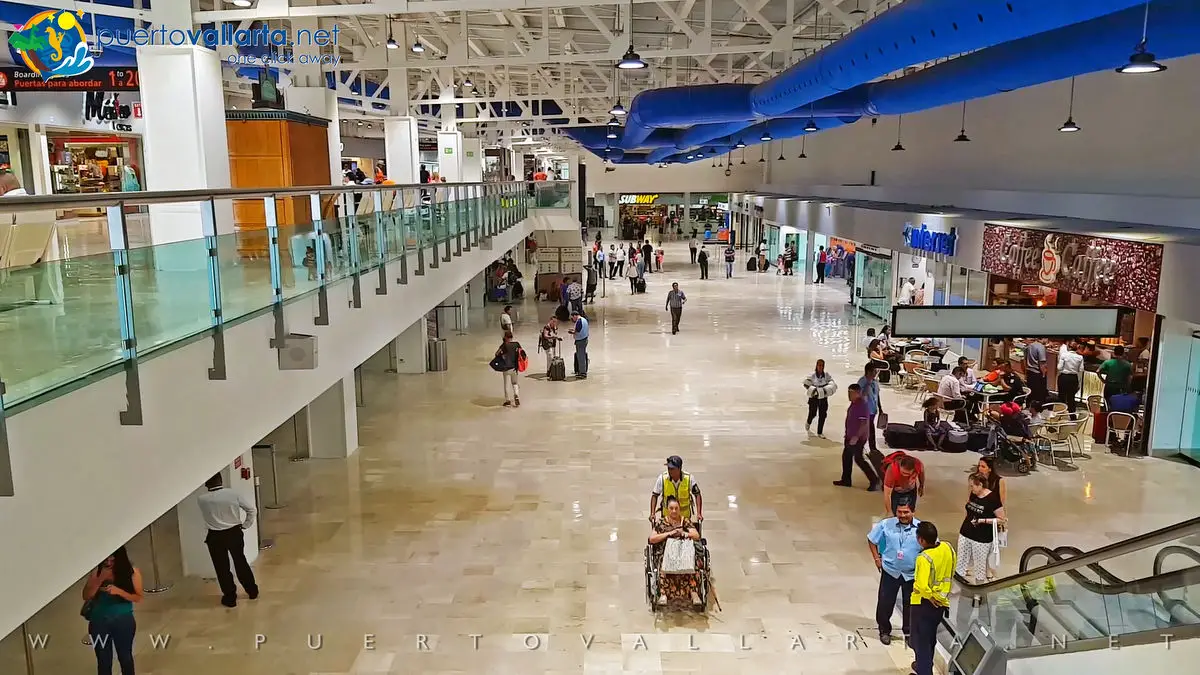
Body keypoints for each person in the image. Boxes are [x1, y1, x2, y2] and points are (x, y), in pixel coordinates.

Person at [197, 473, 259, 607]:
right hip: (233, 532)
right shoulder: (232, 494)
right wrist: (246, 524)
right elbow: (251, 510)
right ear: (221, 480)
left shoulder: (202, 499)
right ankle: (252, 590)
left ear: (206, 483)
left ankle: (230, 597)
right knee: (240, 561)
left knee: (222, 568)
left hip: (215, 536)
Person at [82, 546, 143, 675]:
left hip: (123, 622)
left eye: (112, 560)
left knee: (125, 657)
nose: (108, 563)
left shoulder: (132, 572)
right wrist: (100, 579)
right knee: (103, 661)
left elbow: (137, 597)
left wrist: (118, 591)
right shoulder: (97, 573)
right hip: (99, 622)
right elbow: (86, 596)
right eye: (105, 560)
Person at [868, 503, 921, 646]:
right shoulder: (885, 525)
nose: (902, 515)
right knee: (885, 602)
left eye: (906, 512)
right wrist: (877, 559)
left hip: (911, 575)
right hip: (890, 571)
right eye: (899, 512)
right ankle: (884, 630)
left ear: (913, 511)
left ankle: (909, 633)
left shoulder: (921, 528)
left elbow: (933, 546)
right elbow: (872, 540)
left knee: (911, 604)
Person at [910, 521, 956, 675]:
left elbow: (922, 586)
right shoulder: (947, 547)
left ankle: (924, 671)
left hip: (923, 604)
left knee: (920, 641)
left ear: (921, 540)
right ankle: (923, 666)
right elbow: (952, 568)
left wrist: (929, 597)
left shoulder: (924, 558)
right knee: (930, 638)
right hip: (941, 603)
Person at [647, 495, 705, 607]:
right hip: (666, 553)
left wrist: (684, 533)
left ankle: (693, 592)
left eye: (676, 508)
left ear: (679, 509)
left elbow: (696, 535)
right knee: (664, 563)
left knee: (691, 562)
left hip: (683, 552)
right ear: (667, 509)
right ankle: (664, 594)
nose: (674, 511)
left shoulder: (685, 521)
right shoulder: (661, 523)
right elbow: (652, 539)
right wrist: (669, 534)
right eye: (671, 508)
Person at [957, 472, 1006, 583]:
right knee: (960, 563)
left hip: (981, 539)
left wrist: (983, 521)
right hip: (965, 533)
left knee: (980, 568)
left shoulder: (993, 499)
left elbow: (1001, 519)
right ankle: (961, 586)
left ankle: (979, 594)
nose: (970, 488)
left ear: (980, 484)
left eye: (972, 485)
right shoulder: (974, 494)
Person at [834, 383, 881, 491]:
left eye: (851, 393)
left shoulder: (862, 405)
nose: (849, 395)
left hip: (858, 438)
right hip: (850, 437)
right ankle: (846, 480)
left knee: (859, 459)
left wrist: (856, 436)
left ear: (858, 393)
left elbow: (864, 423)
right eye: (848, 392)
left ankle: (874, 480)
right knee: (846, 457)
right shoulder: (854, 403)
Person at [649, 455, 704, 529]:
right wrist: (652, 513)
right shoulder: (662, 478)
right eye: (668, 468)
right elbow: (654, 496)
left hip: (684, 519)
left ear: (679, 468)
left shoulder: (689, 478)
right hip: (667, 519)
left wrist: (699, 513)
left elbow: (697, 495)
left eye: (672, 468)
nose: (669, 470)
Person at [803, 359, 837, 437]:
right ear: (816, 366)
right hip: (814, 398)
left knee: (823, 415)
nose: (821, 367)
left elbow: (832, 383)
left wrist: (825, 390)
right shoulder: (812, 375)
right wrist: (813, 390)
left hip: (823, 397)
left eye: (822, 365)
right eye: (819, 365)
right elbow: (806, 384)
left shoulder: (827, 375)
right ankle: (808, 422)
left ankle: (819, 432)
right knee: (812, 413)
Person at [857, 364, 885, 455]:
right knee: (869, 430)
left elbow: (877, 395)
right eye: (874, 371)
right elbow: (860, 396)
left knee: (869, 430)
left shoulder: (875, 382)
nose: (876, 372)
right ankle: (869, 448)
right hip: (865, 411)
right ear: (868, 372)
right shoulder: (862, 382)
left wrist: (880, 408)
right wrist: (867, 384)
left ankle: (870, 448)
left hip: (873, 410)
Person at [494, 330, 523, 407]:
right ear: (512, 337)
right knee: (515, 383)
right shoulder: (517, 344)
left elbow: (496, 354)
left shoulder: (504, 345)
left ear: (505, 337)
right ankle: (516, 395)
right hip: (515, 368)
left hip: (506, 368)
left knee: (506, 385)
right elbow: (522, 353)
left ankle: (508, 400)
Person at [1057, 340, 1085, 413]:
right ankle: (1072, 416)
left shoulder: (1064, 355)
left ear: (1068, 347)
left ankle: (1060, 414)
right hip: (1073, 378)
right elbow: (1081, 369)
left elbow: (1059, 368)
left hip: (1063, 377)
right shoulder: (1080, 357)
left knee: (1061, 397)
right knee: (1071, 398)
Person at [1024, 337, 1049, 405]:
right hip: (1037, 373)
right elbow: (1042, 363)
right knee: (1039, 395)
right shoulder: (1041, 347)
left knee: (1031, 394)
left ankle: (1028, 409)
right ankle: (1038, 412)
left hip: (1030, 372)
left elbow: (1024, 360)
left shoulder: (1029, 346)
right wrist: (1044, 374)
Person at [568, 310, 589, 379]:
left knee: (581, 357)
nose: (572, 319)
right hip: (585, 339)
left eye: (572, 317)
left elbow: (577, 331)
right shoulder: (584, 320)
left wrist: (571, 332)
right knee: (582, 356)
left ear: (575, 316)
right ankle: (582, 371)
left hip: (580, 341)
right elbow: (580, 329)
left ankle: (582, 373)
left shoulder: (579, 321)